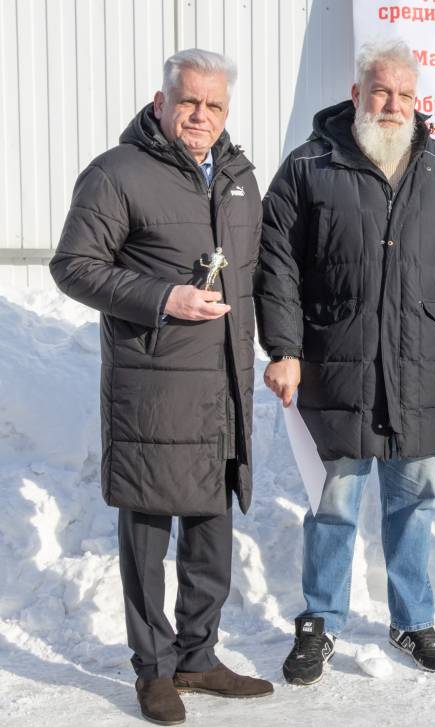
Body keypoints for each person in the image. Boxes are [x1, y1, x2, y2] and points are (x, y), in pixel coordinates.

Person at [256, 38, 435, 683]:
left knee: (413, 500)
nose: (393, 105)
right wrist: (283, 347)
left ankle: (412, 619)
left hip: (421, 364)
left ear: (419, 102)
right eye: (381, 92)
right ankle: (320, 621)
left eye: (406, 95)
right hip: (338, 362)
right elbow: (276, 265)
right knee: (335, 500)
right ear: (357, 94)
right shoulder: (309, 167)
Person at [50, 48, 272, 725]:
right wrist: (163, 298)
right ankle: (153, 669)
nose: (199, 115)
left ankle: (198, 655)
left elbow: (256, 273)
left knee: (211, 526)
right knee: (148, 527)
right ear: (160, 101)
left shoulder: (238, 177)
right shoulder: (116, 174)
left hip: (220, 386)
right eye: (189, 102)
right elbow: (73, 266)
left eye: (213, 106)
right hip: (149, 386)